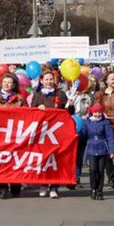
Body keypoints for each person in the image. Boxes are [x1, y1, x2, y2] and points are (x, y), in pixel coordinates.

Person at [31, 71, 68, 199]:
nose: (49, 82)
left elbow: (67, 112)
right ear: (41, 81)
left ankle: (54, 186)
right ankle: (43, 184)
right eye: (46, 79)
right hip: (42, 131)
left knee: (56, 160)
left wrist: (70, 106)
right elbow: (31, 112)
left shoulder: (60, 94)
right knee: (43, 159)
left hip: (57, 131)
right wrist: (37, 109)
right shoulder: (37, 95)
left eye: (51, 79)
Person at [0, 73, 27, 199]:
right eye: (4, 82)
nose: (7, 84)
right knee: (1, 161)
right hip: (0, 135)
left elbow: (28, 116)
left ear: (14, 84)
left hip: (16, 134)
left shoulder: (20, 99)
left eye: (9, 82)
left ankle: (15, 186)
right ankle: (2, 187)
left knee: (14, 161)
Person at [80, 104, 114, 200]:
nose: (97, 114)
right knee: (93, 170)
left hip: (102, 149)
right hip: (91, 148)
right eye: (95, 112)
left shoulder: (105, 122)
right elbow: (83, 135)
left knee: (100, 171)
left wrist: (112, 151)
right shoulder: (87, 122)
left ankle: (100, 191)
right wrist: (78, 133)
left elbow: (110, 137)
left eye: (99, 112)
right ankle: (93, 189)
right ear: (92, 112)